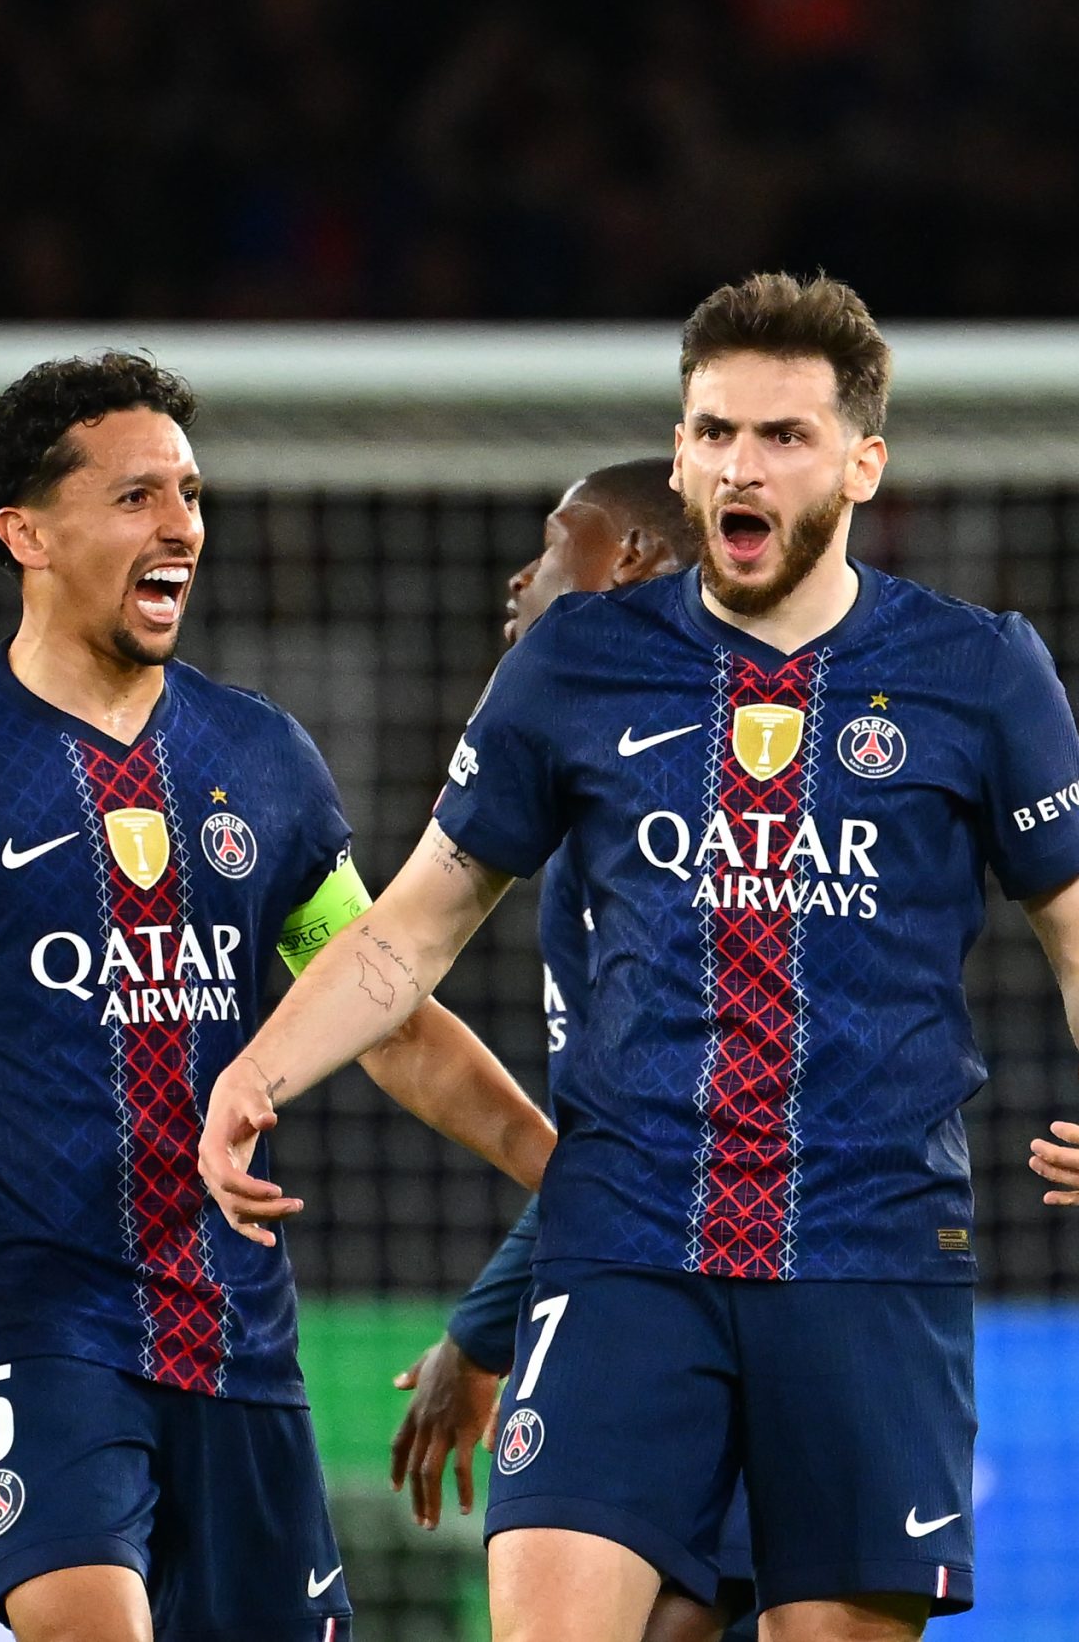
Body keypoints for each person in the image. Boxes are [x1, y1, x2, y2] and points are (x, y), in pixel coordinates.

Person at [201, 272, 1079, 1642]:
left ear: (862, 461)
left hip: (868, 1248)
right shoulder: (575, 667)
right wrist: (258, 1070)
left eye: (783, 435)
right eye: (714, 430)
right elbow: (411, 925)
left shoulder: (979, 672)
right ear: (680, 451)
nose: (741, 462)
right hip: (626, 1244)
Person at [0, 351, 552, 1642]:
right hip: (28, 1318)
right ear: (26, 531)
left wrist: (565, 1168)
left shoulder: (261, 758)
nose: (183, 527)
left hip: (237, 1334)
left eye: (192, 494)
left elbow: (386, 1012)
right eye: (138, 496)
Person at [386, 459, 758, 1642]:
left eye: (554, 539)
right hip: (653, 1275)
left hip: (757, 1300)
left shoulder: (701, 791)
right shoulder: (597, 784)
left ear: (634, 558)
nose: (520, 572)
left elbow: (679, 1135)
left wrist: (489, 1327)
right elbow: (633, 1136)